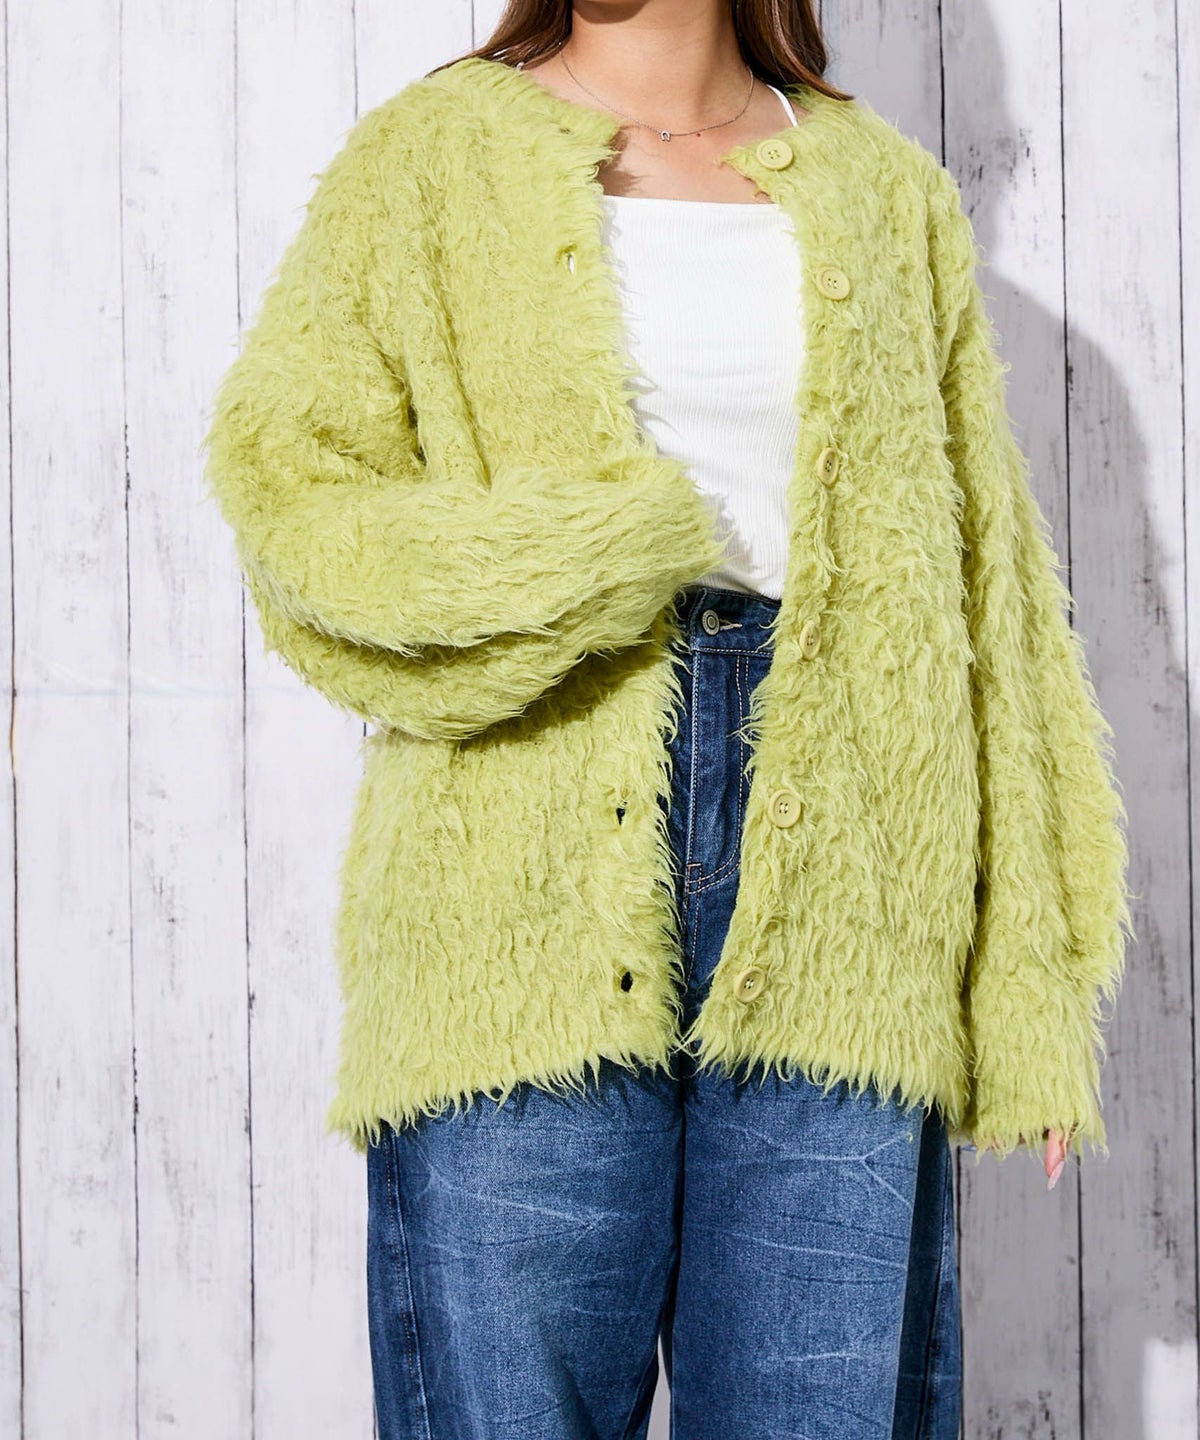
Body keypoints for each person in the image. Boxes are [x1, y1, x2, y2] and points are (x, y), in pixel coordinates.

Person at [200, 2, 1133, 1436]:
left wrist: (1029, 988)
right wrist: (596, 555)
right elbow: (293, 497)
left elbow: (992, 600)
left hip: (854, 897)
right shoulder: (427, 159)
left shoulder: (882, 191)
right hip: (515, 896)